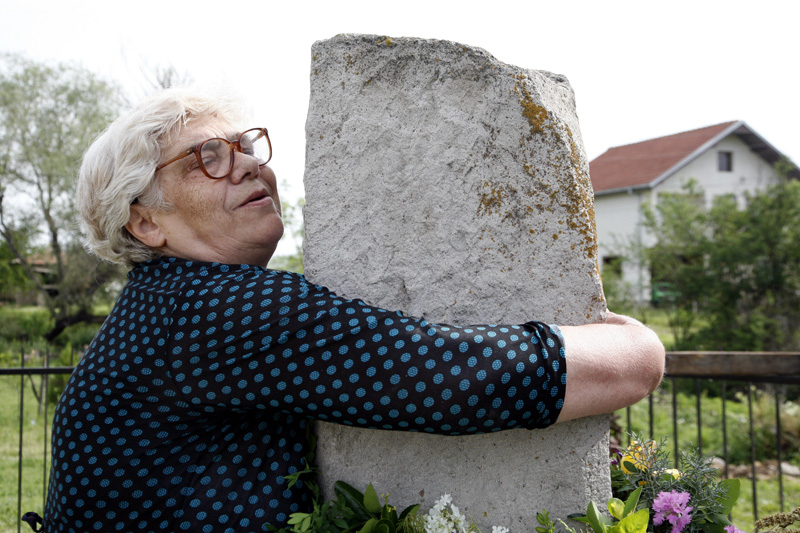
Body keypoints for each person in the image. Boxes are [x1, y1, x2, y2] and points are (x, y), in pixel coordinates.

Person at [37, 87, 664, 533]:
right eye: (209, 157)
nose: (252, 163)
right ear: (145, 222)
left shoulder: (168, 306)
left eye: (246, 146)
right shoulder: (211, 310)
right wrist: (638, 357)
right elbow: (451, 377)